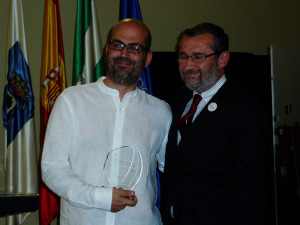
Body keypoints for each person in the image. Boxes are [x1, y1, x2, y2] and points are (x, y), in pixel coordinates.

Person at [41, 19, 172, 225]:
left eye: (135, 48)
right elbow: (52, 168)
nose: (124, 53)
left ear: (147, 58)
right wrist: (99, 197)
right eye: (117, 44)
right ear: (106, 49)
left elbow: (175, 170)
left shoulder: (162, 111)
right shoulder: (71, 100)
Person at [161, 22, 269, 225]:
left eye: (198, 56)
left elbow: (252, 190)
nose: (187, 65)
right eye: (183, 56)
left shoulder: (245, 109)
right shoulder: (180, 98)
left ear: (222, 59)